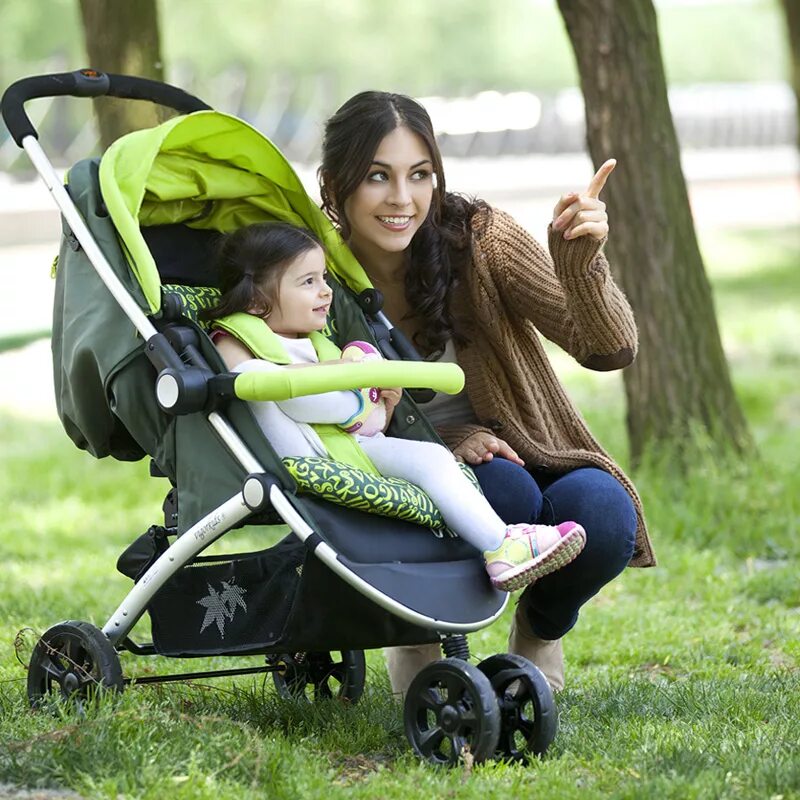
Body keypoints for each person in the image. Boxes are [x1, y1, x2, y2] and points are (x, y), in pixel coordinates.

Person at [317, 91, 656, 695]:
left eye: (420, 175)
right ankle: (420, 633)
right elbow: (329, 411)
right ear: (335, 185)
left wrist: (579, 264)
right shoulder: (316, 278)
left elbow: (609, 350)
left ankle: (538, 632)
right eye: (378, 177)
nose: (402, 198)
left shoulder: (480, 239)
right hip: (410, 471)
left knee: (607, 514)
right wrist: (455, 439)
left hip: (528, 448)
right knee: (507, 492)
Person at [203, 220, 587, 592]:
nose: (326, 292)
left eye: (324, 278)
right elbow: (302, 400)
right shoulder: (234, 342)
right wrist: (356, 384)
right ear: (255, 300)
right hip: (302, 463)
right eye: (308, 282)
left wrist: (377, 403)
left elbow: (363, 423)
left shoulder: (314, 343)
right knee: (296, 390)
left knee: (434, 459)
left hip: (350, 451)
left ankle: (500, 545)